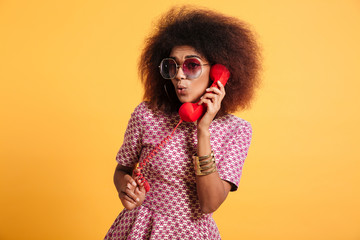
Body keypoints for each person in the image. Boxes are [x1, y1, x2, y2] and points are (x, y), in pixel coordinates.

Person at [104, 5, 261, 240]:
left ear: (219, 72)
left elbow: (209, 204)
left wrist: (203, 130)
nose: (179, 75)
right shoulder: (147, 114)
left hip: (192, 233)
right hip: (139, 229)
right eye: (173, 65)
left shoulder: (236, 130)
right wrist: (126, 189)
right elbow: (122, 170)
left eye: (192, 65)